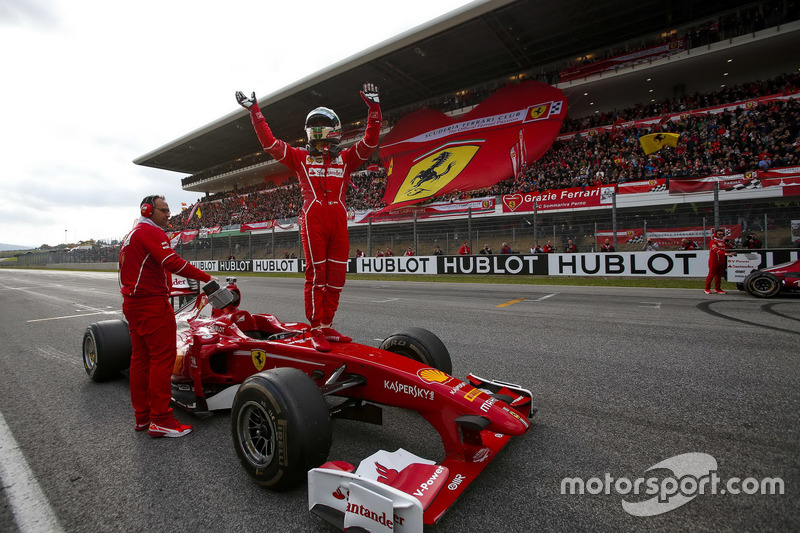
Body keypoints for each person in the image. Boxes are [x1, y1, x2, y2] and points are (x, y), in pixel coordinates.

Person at [236, 83, 381, 352]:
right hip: (313, 221)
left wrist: (374, 109)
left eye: (320, 126)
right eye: (313, 127)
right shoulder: (301, 158)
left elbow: (370, 142)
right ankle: (315, 327)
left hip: (338, 221)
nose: (316, 131)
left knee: (337, 277)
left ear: (333, 131)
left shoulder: (346, 159)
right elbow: (270, 144)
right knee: (317, 277)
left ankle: (326, 325)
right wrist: (255, 111)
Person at [119, 195, 215, 438]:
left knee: (140, 360)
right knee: (163, 360)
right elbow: (172, 262)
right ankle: (161, 419)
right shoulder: (150, 232)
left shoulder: (131, 234)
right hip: (151, 304)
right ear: (148, 210)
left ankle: (143, 417)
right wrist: (207, 278)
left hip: (132, 303)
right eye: (164, 210)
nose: (168, 215)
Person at [705, 228, 735, 294]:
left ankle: (717, 289)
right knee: (711, 275)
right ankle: (707, 288)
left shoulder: (723, 242)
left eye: (722, 234)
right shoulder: (713, 241)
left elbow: (725, 250)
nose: (721, 235)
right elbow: (716, 250)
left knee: (719, 276)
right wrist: (726, 254)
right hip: (714, 261)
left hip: (722, 261)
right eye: (719, 234)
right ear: (715, 234)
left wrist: (729, 253)